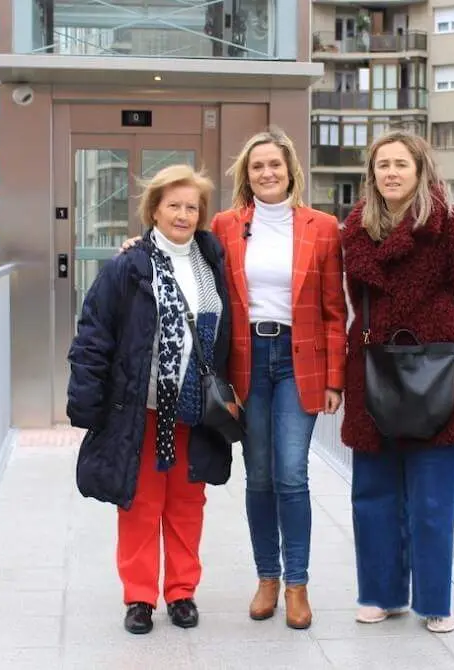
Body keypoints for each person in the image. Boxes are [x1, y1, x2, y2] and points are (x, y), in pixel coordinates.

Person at [118, 128, 347, 629]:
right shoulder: (223, 225)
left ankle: (297, 585)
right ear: (247, 174)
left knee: (291, 473)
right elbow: (177, 244)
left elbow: (334, 309)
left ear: (291, 170)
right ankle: (267, 578)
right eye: (257, 165)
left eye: (275, 165)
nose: (267, 173)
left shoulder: (323, 227)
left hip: (298, 359)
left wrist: (335, 378)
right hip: (246, 362)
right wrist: (138, 245)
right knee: (259, 474)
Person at [339, 130, 454, 633]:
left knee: (433, 504)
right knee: (374, 497)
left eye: (400, 165)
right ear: (372, 175)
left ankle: (435, 601)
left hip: (441, 378)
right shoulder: (356, 229)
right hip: (374, 376)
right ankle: (380, 594)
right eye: (381, 165)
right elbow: (355, 298)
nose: (390, 173)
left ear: (420, 170)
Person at [67, 164, 233, 635]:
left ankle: (182, 593)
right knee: (139, 504)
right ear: (154, 209)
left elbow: (229, 333)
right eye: (173, 205)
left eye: (191, 207)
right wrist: (86, 400)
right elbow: (94, 333)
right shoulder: (129, 265)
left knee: (186, 503)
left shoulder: (212, 261)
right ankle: (139, 597)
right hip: (141, 408)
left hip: (196, 408)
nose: (183, 214)